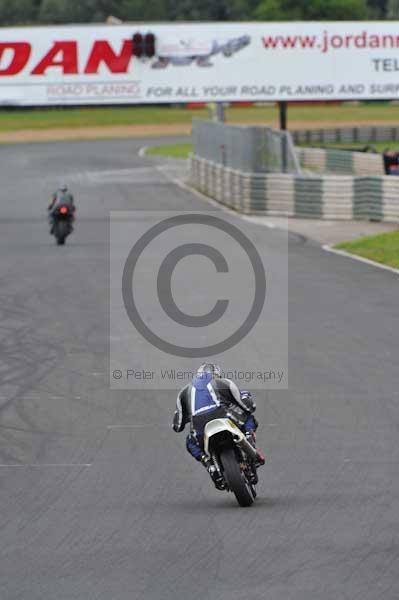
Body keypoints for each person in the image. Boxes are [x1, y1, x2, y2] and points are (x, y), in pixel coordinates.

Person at [172, 363, 265, 489]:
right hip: (224, 416)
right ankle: (249, 442)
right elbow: (249, 406)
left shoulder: (183, 393)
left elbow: (177, 426)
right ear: (216, 374)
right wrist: (246, 400)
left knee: (190, 442)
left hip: (200, 428)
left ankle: (209, 464)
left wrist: (190, 415)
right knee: (249, 417)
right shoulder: (223, 382)